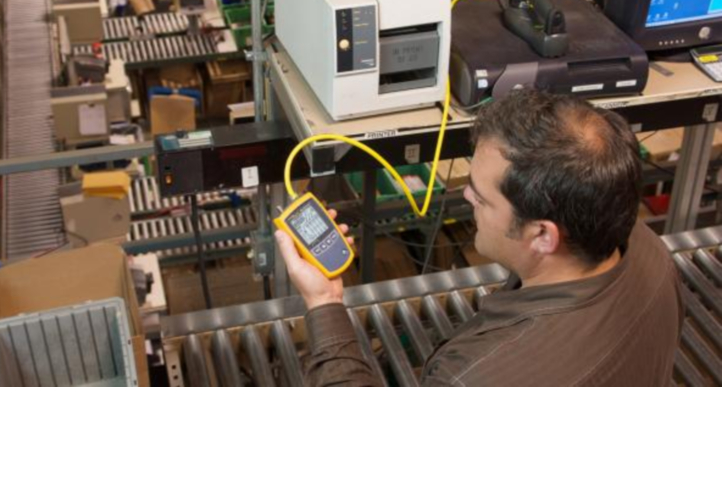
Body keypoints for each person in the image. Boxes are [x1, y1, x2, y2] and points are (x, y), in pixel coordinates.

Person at [275, 89, 684, 386]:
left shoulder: (473, 378)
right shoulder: (648, 248)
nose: (467, 197)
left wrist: (323, 303)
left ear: (543, 235)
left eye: (481, 197)